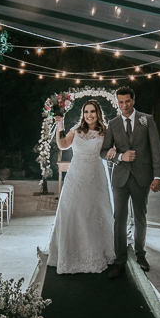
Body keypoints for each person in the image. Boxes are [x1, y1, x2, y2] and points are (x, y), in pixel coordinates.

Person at [42, 100, 117, 273]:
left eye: (92, 111)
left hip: (97, 175)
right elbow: (62, 144)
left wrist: (113, 152)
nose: (89, 115)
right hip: (76, 175)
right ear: (82, 114)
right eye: (86, 112)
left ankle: (99, 251)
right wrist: (60, 126)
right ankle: (70, 252)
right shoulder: (76, 130)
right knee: (72, 210)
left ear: (98, 113)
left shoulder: (105, 131)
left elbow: (111, 150)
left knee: (95, 211)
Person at [99, 86, 160, 279]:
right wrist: (119, 156)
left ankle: (140, 254)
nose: (124, 105)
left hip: (142, 177)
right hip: (120, 178)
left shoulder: (147, 120)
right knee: (119, 219)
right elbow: (104, 151)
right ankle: (119, 261)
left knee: (140, 218)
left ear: (133, 101)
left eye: (127, 101)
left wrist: (157, 176)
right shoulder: (113, 123)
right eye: (121, 102)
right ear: (117, 103)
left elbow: (156, 150)